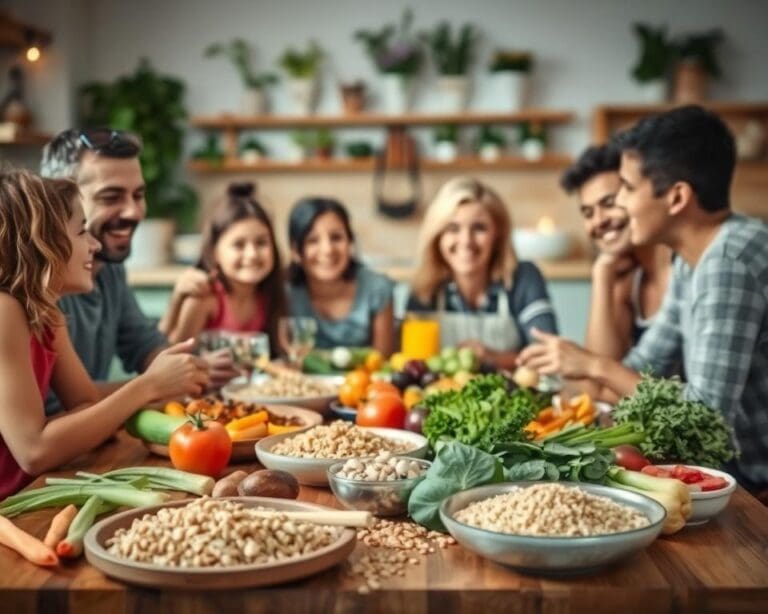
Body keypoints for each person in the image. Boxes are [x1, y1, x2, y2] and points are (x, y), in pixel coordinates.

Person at [518, 105, 768, 495]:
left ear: (676, 197)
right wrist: (586, 367)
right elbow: (642, 367)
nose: (624, 205)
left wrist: (595, 365)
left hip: (755, 483)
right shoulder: (693, 259)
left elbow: (704, 417)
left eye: (628, 190)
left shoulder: (727, 261)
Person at [0, 170, 209, 497]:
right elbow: (34, 452)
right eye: (82, 231)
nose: (94, 244)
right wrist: (148, 385)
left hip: (27, 496)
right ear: (41, 241)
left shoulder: (47, 311)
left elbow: (86, 403)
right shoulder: (5, 310)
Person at [40, 128, 235, 414]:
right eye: (111, 197)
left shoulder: (110, 272)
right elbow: (58, 410)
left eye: (138, 195)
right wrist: (156, 384)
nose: (134, 212)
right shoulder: (38, 290)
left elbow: (145, 348)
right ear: (58, 201)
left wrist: (192, 369)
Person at [406, 176, 558, 370]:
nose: (466, 241)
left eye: (479, 228)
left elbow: (548, 354)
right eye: (453, 228)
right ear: (437, 236)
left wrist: (493, 358)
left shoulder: (523, 278)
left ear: (498, 234)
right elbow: (412, 364)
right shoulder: (424, 288)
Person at [561, 144, 672, 360]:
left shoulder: (681, 268)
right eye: (588, 212)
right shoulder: (629, 283)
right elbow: (598, 377)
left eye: (609, 203)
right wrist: (601, 274)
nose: (598, 221)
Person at [163, 182, 287, 353]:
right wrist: (205, 367)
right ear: (215, 253)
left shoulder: (269, 295)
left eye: (261, 243)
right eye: (238, 245)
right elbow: (174, 362)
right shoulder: (203, 298)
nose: (252, 254)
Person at [286, 197, 394, 355]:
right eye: (312, 240)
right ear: (295, 251)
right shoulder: (284, 292)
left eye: (336, 237)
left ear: (350, 242)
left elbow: (383, 360)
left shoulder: (377, 288)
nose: (327, 250)